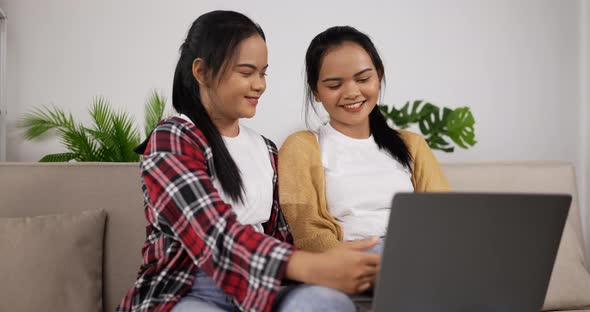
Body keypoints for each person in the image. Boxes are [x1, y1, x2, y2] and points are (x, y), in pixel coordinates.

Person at [116, 11, 379, 312]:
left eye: (263, 73)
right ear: (201, 72)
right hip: (188, 288)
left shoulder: (266, 149)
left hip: (260, 286)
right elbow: (212, 232)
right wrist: (308, 266)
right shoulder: (172, 138)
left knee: (325, 303)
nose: (259, 85)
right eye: (246, 72)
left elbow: (281, 235)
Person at [279, 26, 450, 253]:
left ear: (379, 76)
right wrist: (350, 264)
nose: (351, 92)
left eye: (363, 79)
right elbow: (307, 229)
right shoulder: (301, 146)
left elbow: (444, 216)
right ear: (316, 91)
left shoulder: (412, 145)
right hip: (346, 259)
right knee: (312, 292)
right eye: (334, 85)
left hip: (413, 255)